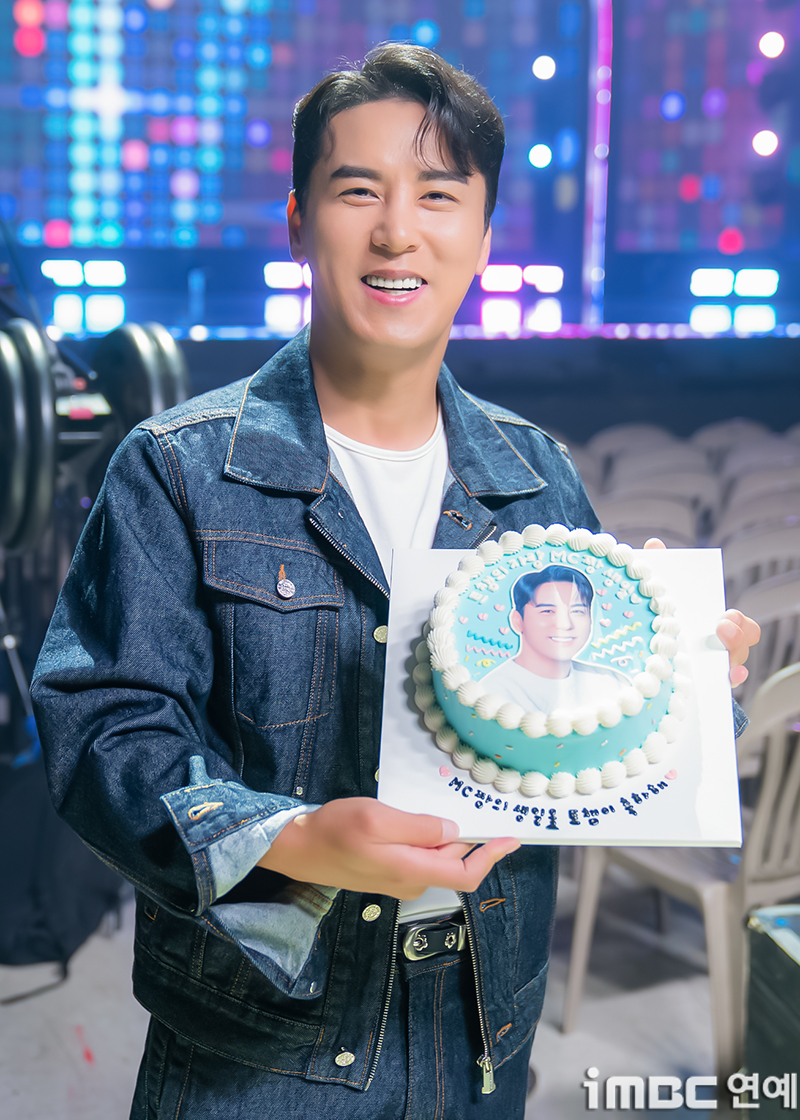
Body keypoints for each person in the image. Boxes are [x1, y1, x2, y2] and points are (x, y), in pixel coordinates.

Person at [30, 44, 759, 1120]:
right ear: (297, 222)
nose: (396, 231)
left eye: (438, 195)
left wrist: (689, 678)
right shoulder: (176, 468)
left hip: (479, 1034)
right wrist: (293, 841)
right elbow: (103, 732)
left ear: (482, 237)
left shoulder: (536, 477)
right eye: (357, 190)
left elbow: (577, 733)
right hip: (263, 1048)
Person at [481, 565, 627, 711]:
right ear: (518, 621)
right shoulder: (491, 694)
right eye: (547, 611)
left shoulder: (615, 685)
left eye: (577, 611)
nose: (565, 624)